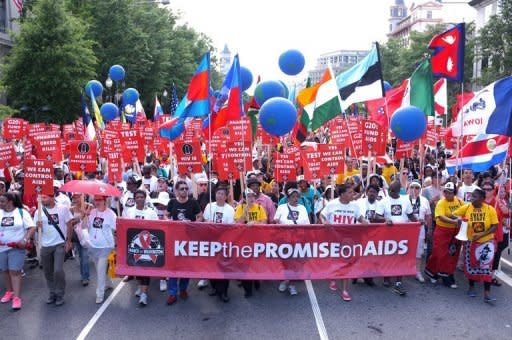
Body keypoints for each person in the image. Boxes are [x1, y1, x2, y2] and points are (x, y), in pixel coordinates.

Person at [320, 184, 367, 302]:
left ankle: (345, 290)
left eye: (353, 192)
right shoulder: (332, 204)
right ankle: (332, 277)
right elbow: (321, 214)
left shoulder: (355, 206)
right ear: (342, 194)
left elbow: (360, 218)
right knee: (334, 260)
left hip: (348, 240)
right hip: (333, 239)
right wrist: (324, 221)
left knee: (345, 262)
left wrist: (364, 221)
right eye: (350, 192)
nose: (353, 194)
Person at [453, 188, 499, 304]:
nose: (472, 199)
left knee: (486, 268)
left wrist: (481, 235)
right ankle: (471, 287)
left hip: (486, 243)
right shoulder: (467, 207)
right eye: (471, 196)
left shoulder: (490, 209)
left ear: (482, 199)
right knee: (472, 266)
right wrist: (458, 219)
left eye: (475, 197)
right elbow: (454, 215)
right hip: (470, 242)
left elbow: (494, 226)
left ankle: (487, 293)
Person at [376, 181, 417, 296]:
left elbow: (410, 215)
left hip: (402, 234)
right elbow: (377, 216)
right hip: (388, 233)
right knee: (387, 256)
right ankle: (386, 277)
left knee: (401, 256)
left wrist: (418, 222)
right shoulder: (383, 201)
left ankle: (399, 281)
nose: (390, 192)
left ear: (399, 190)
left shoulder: (405, 200)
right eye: (389, 190)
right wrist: (384, 220)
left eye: (393, 191)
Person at [166, 181, 203, 305]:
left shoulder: (193, 202)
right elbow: (166, 216)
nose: (184, 190)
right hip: (174, 239)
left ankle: (183, 290)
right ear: (176, 190)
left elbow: (200, 216)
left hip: (188, 239)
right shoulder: (172, 202)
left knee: (186, 266)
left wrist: (192, 224)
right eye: (182, 188)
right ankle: (172, 293)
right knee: (173, 267)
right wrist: (172, 223)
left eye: (186, 188)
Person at [34, 193, 75, 306]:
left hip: (59, 244)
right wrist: (38, 227)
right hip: (45, 245)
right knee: (48, 272)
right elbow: (37, 231)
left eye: (45, 197)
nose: (42, 200)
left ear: (52, 198)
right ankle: (52, 292)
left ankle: (60, 293)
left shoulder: (63, 209)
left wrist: (68, 241)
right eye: (41, 198)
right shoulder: (38, 212)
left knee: (57, 270)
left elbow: (69, 225)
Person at [0, 192, 36, 310]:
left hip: (17, 248)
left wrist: (25, 239)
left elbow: (31, 227)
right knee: (5, 270)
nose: (0, 203)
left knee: (14, 271)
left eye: (2, 201)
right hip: (2, 248)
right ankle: (9, 292)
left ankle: (17, 297)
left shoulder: (21, 212)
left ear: (10, 202)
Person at [424, 182, 464, 288]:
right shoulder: (441, 203)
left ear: (454, 193)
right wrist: (454, 221)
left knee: (452, 254)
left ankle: (448, 275)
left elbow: (466, 210)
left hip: (455, 233)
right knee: (439, 254)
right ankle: (434, 273)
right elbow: (441, 216)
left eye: (451, 192)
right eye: (446, 192)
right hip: (442, 231)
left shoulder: (459, 201)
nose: (448, 194)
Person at [123, 189, 158, 306]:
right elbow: (125, 227)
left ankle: (144, 295)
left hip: (147, 246)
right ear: (134, 199)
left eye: (141, 197)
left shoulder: (151, 212)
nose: (139, 199)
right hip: (134, 245)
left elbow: (157, 228)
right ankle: (140, 286)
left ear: (145, 198)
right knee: (137, 268)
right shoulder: (129, 212)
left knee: (145, 269)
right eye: (137, 197)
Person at [274, 187, 310, 296]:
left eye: (297, 196)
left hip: (299, 240)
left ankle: (291, 284)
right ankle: (285, 280)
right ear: (288, 198)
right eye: (293, 196)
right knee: (285, 262)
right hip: (285, 240)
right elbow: (275, 221)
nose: (295, 199)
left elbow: (307, 224)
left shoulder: (303, 208)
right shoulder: (281, 207)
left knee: (295, 263)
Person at [203, 186, 235, 302]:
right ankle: (214, 287)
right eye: (218, 193)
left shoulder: (230, 209)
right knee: (212, 265)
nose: (220, 195)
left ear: (226, 197)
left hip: (224, 242)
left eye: (222, 194)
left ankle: (224, 291)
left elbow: (232, 226)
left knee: (224, 267)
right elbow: (205, 220)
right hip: (211, 241)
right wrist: (209, 223)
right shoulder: (209, 206)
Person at [83, 196, 117, 304]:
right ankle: (109, 283)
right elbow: (84, 226)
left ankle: (100, 294)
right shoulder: (92, 212)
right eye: (95, 200)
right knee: (99, 269)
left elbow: (116, 229)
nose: (97, 202)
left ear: (105, 201)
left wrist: (116, 245)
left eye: (99, 200)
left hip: (106, 246)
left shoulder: (110, 214)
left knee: (100, 271)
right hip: (93, 245)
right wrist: (86, 215)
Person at [235, 188, 267, 297]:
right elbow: (238, 223)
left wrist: (255, 223)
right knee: (244, 265)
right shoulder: (240, 208)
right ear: (244, 198)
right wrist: (246, 210)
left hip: (257, 240)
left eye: (253, 196)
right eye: (248, 196)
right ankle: (247, 289)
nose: (251, 198)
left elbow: (264, 222)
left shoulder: (259, 208)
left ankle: (256, 280)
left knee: (256, 263)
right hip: (243, 241)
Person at [482, 182, 509, 286]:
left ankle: (491, 277)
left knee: (495, 256)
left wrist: (501, 204)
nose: (486, 191)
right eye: (484, 189)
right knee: (483, 255)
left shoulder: (498, 202)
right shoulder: (480, 201)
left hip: (496, 235)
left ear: (493, 190)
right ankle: (481, 276)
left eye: (489, 189)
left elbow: (507, 214)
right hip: (483, 234)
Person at [408, 180, 432, 283]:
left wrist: (429, 229)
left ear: (420, 189)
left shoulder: (424, 200)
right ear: (408, 189)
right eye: (412, 187)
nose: (414, 190)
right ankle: (404, 269)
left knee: (419, 251)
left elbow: (429, 216)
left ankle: (417, 271)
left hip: (420, 230)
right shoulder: (403, 199)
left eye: (417, 187)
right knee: (405, 249)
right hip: (405, 229)